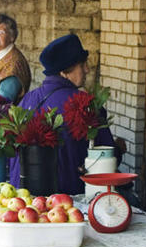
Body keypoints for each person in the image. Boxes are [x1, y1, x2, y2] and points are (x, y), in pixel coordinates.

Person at [9, 33, 114, 194]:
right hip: (67, 197)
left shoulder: (28, 99)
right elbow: (106, 156)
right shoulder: (84, 103)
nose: (87, 70)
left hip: (20, 195)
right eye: (82, 65)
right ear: (64, 71)